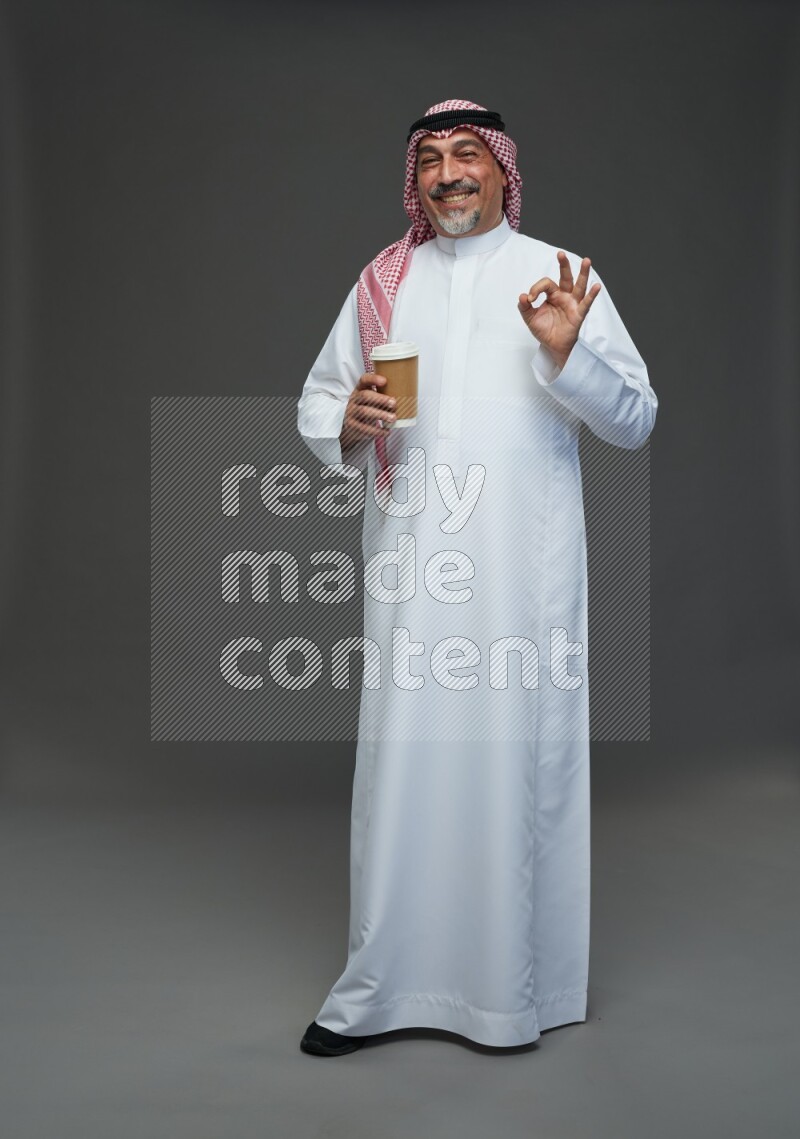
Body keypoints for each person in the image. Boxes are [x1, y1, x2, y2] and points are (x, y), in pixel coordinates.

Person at [296, 98, 657, 1057]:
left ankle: (506, 994)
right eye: (431, 160)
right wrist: (349, 422)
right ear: (414, 180)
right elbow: (322, 400)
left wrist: (568, 352)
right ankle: (378, 989)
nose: (450, 173)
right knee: (401, 769)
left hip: (521, 581)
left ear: (503, 169)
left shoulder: (556, 276)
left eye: (468, 155)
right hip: (413, 571)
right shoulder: (383, 282)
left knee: (511, 768)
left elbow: (635, 419)